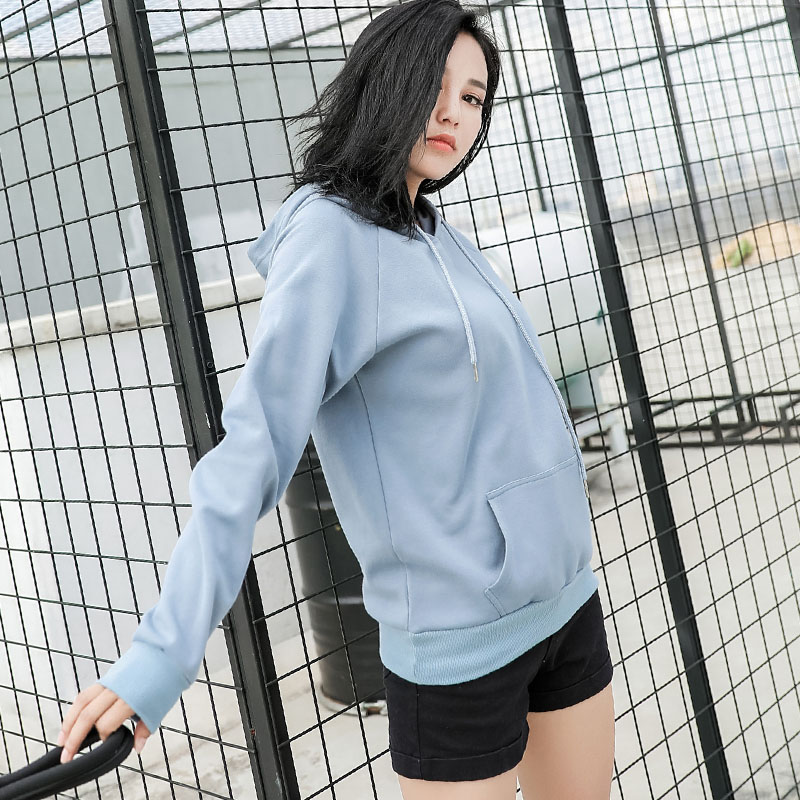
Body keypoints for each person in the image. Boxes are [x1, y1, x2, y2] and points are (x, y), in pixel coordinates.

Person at [55, 0, 615, 797]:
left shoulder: (438, 231)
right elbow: (252, 454)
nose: (454, 113)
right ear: (385, 81)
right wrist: (158, 660)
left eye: (473, 97)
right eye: (436, 86)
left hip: (566, 606)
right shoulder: (329, 237)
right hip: (458, 649)